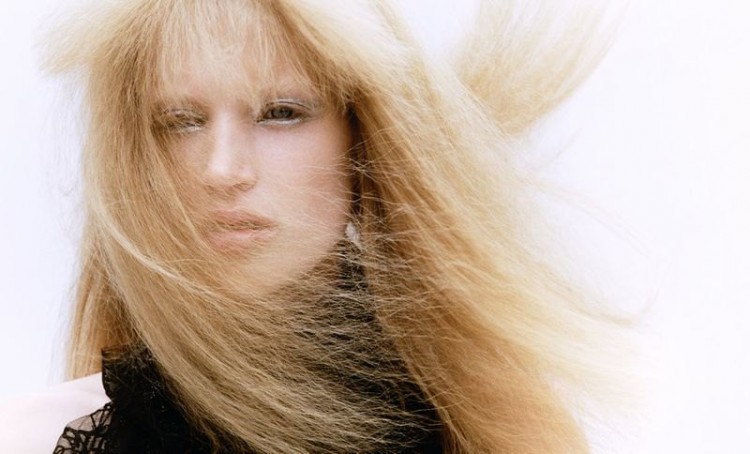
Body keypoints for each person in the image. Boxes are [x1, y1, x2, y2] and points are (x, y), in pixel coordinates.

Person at [2, 0, 624, 452]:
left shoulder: (497, 427)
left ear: (365, 135)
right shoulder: (38, 436)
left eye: (281, 113)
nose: (223, 170)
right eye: (180, 121)